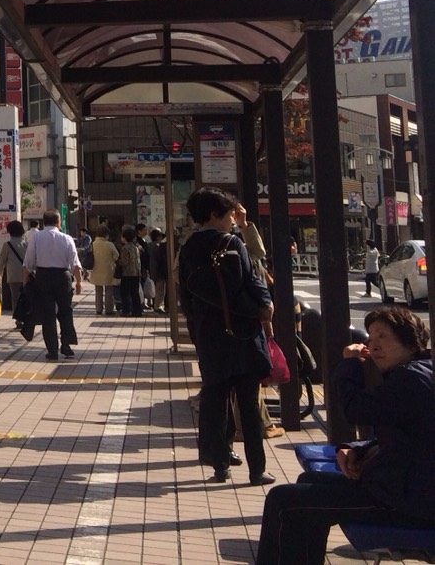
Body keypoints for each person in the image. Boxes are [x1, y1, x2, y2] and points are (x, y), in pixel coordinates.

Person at [255, 307, 435, 564]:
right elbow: (404, 432)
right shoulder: (418, 372)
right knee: (308, 482)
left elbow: (353, 410)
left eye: (382, 337)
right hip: (403, 487)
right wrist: (358, 448)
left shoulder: (410, 379)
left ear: (409, 340)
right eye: (370, 338)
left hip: (407, 502)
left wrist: (349, 363)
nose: (373, 346)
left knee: (283, 501)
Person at [177, 186, 276, 487]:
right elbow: (251, 280)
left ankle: (220, 465)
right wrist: (265, 306)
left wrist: (196, 331)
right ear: (213, 215)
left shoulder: (188, 247)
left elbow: (185, 296)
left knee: (215, 399)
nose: (232, 219)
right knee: (248, 404)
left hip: (210, 335)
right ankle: (257, 469)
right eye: (228, 214)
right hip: (242, 333)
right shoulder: (232, 242)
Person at [22, 209, 83, 361]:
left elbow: (28, 262)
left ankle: (52, 350)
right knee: (65, 312)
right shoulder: (67, 238)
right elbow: (74, 263)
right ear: (58, 222)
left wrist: (25, 282)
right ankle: (67, 346)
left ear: (44, 222)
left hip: (43, 277)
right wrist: (79, 282)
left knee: (48, 315)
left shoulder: (36, 237)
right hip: (63, 277)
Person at [0, 220, 28, 314]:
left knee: (16, 299)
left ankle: (18, 319)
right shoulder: (26, 244)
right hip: (27, 276)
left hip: (13, 276)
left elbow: (2, 260)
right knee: (26, 297)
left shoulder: (7, 245)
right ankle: (26, 317)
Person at [88, 227, 121, 315]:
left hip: (96, 270)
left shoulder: (93, 244)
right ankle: (109, 309)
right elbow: (116, 256)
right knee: (109, 291)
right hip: (108, 270)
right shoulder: (110, 244)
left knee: (98, 291)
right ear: (107, 235)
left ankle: (99, 309)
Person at [116, 226, 144, 317]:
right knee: (135, 293)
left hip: (127, 274)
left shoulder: (125, 248)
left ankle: (126, 310)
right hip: (136, 273)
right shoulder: (136, 247)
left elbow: (125, 262)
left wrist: (117, 261)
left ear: (124, 237)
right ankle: (137, 311)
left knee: (125, 293)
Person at [146, 228, 169, 312]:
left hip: (152, 270)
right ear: (158, 237)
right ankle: (157, 306)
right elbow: (159, 260)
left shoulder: (148, 246)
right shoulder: (158, 247)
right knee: (160, 290)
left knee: (155, 288)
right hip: (159, 271)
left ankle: (154, 304)